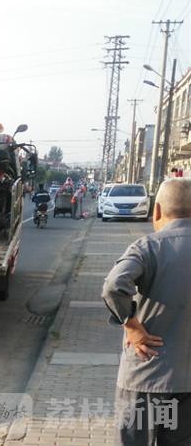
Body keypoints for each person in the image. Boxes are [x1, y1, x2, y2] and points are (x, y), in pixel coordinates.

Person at [102, 178, 191, 445]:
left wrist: (131, 325)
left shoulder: (148, 247)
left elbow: (114, 285)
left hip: (146, 375)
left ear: (157, 210)